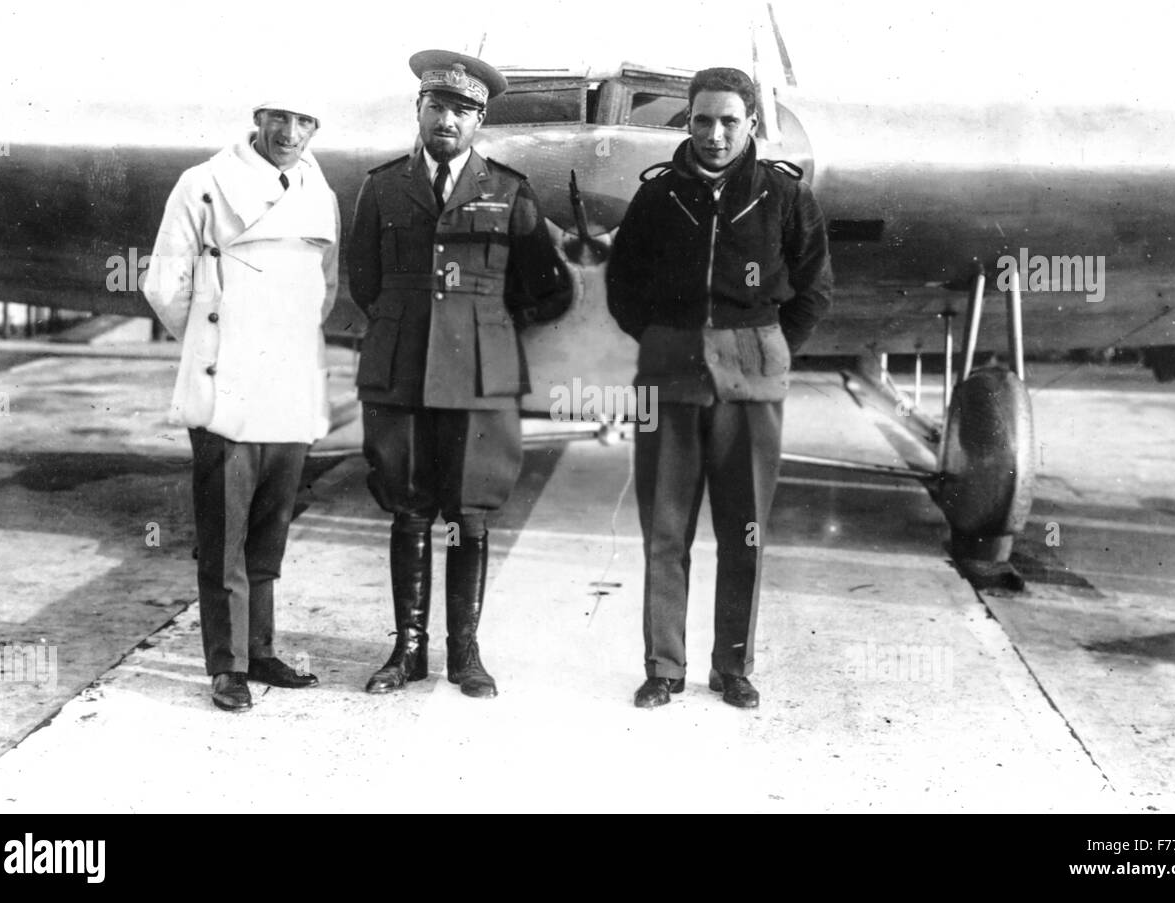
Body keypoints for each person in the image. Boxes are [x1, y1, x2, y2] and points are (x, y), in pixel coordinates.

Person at [607, 67, 834, 709]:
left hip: (751, 379)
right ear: (688, 120)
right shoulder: (657, 198)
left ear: (751, 125)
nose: (714, 134)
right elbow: (624, 288)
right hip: (671, 374)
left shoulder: (785, 198)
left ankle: (732, 666)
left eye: (729, 121)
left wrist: (766, 344)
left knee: (746, 529)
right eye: (702, 119)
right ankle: (664, 667)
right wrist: (663, 340)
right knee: (665, 528)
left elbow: (814, 289)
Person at [348, 50, 571, 699]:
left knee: (470, 512)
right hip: (402, 368)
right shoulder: (383, 186)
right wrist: (408, 319)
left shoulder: (508, 189)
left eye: (463, 110)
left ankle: (464, 653)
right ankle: (406, 651)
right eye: (437, 106)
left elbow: (551, 286)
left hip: (480, 373)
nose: (448, 119)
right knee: (408, 507)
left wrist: (492, 324)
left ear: (480, 121)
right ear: (418, 110)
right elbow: (365, 278)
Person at [143, 97, 340, 712]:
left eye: (305, 121)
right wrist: (216, 340)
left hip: (288, 387)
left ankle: (261, 651)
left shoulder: (320, 193)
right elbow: (163, 284)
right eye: (279, 118)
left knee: (269, 533)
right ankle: (226, 667)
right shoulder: (203, 184)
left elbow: (325, 288)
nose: (290, 133)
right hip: (227, 385)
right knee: (223, 537)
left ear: (316, 127)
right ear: (258, 118)